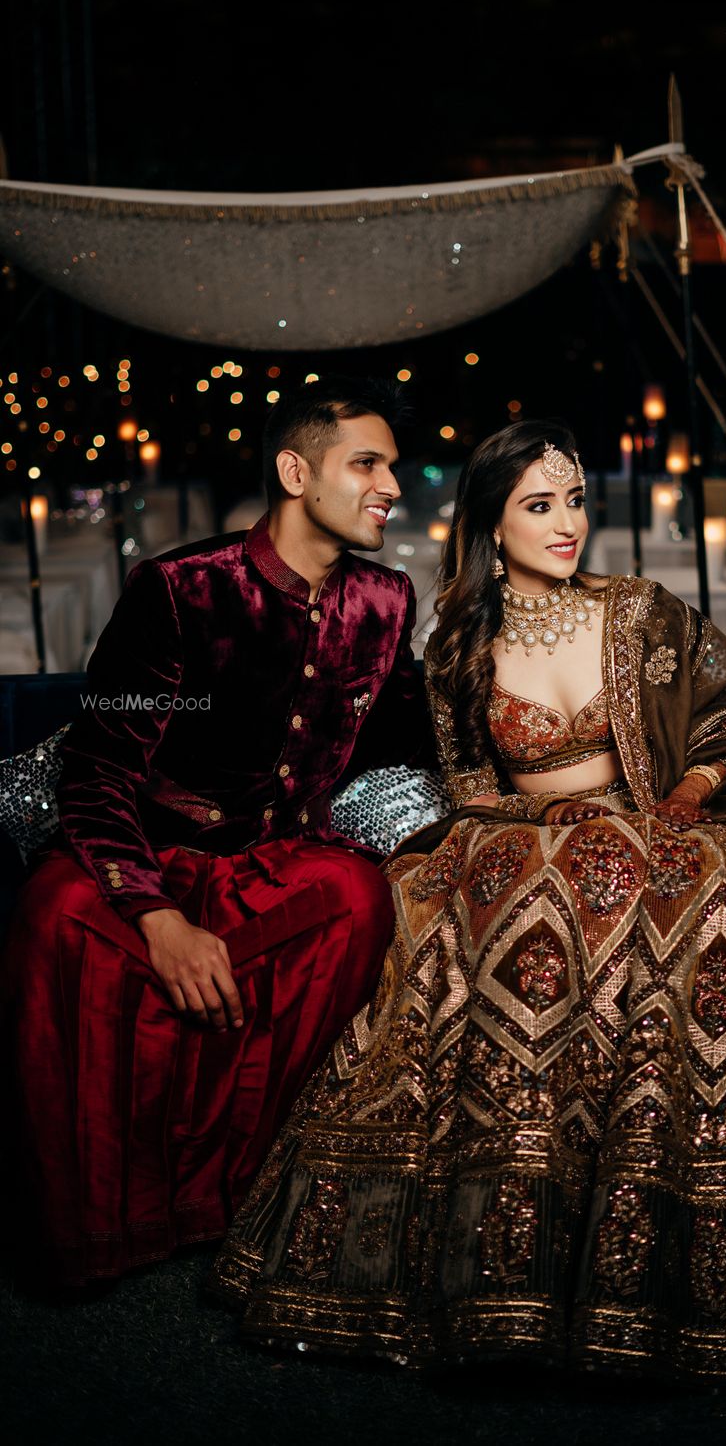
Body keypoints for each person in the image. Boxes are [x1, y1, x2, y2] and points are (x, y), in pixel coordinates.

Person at [212, 421, 726, 1385]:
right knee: (475, 902)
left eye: (575, 500)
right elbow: (468, 788)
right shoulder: (458, 644)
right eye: (539, 505)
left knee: (695, 892)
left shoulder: (641, 612)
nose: (568, 522)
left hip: (669, 825)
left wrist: (685, 797)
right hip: (531, 848)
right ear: (492, 526)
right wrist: (543, 830)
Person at [5, 373, 431, 1286]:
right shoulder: (176, 590)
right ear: (294, 470)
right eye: (367, 462)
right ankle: (100, 1225)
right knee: (52, 915)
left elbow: (425, 726)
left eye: (392, 466)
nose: (391, 485)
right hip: (146, 861)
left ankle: (239, 1199)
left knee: (357, 898)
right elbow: (96, 770)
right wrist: (157, 917)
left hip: (274, 864)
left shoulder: (386, 603)